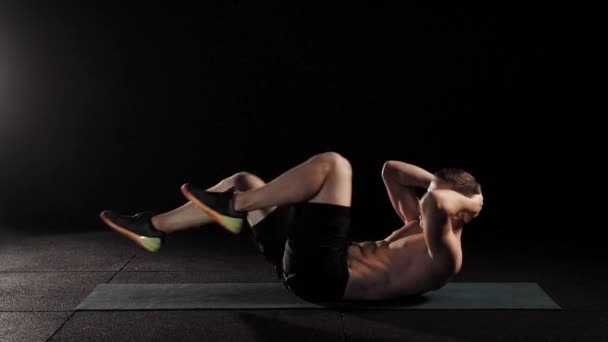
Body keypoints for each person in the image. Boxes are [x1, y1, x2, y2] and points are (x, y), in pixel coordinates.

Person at [100, 152, 483, 302]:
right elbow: (391, 170)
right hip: (310, 266)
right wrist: (440, 179)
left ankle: (232, 208)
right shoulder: (418, 222)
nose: (429, 193)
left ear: (462, 213)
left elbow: (437, 201)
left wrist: (473, 199)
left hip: (328, 279)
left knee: (336, 165)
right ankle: (154, 227)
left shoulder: (446, 255)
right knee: (246, 180)